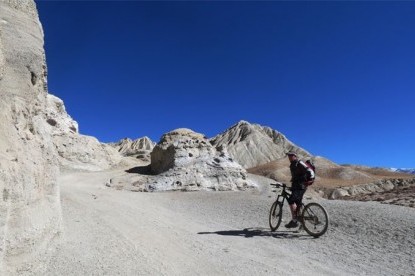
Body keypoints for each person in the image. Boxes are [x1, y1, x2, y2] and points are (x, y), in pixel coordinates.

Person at [285, 151, 315, 228]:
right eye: (289, 156)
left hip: (301, 186)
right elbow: (296, 177)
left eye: (291, 155)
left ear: (295, 156)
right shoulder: (293, 164)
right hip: (297, 186)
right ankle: (301, 223)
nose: (289, 157)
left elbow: (309, 170)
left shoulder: (299, 162)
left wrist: (311, 179)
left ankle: (294, 221)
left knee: (291, 200)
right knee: (298, 204)